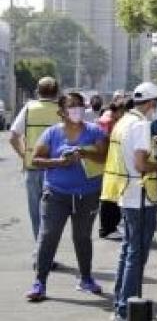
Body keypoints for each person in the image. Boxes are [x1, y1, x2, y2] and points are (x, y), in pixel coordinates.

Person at [102, 82, 157, 321]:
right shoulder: (141, 124)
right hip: (140, 196)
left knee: (128, 252)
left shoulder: (124, 122)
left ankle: (121, 307)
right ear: (151, 104)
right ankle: (126, 312)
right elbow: (142, 164)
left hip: (126, 194)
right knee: (136, 255)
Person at [24, 92, 108, 301]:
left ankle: (86, 278)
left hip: (87, 194)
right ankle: (39, 282)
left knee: (82, 238)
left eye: (80, 105)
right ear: (62, 112)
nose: (77, 110)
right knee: (48, 236)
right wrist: (59, 162)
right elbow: (36, 160)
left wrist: (86, 153)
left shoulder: (95, 131)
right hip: (56, 194)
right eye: (72, 106)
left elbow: (105, 156)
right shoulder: (52, 133)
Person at [9, 76, 61, 261]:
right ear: (56, 92)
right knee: (53, 214)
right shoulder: (61, 110)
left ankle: (41, 251)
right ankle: (47, 252)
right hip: (57, 169)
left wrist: (25, 155)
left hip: (33, 168)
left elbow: (13, 136)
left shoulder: (29, 109)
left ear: (38, 92)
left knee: (36, 212)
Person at [97, 98, 130, 239]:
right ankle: (108, 229)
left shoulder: (107, 119)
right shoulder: (110, 122)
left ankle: (109, 228)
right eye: (123, 112)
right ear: (119, 111)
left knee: (110, 198)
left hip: (110, 163)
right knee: (110, 199)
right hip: (111, 163)